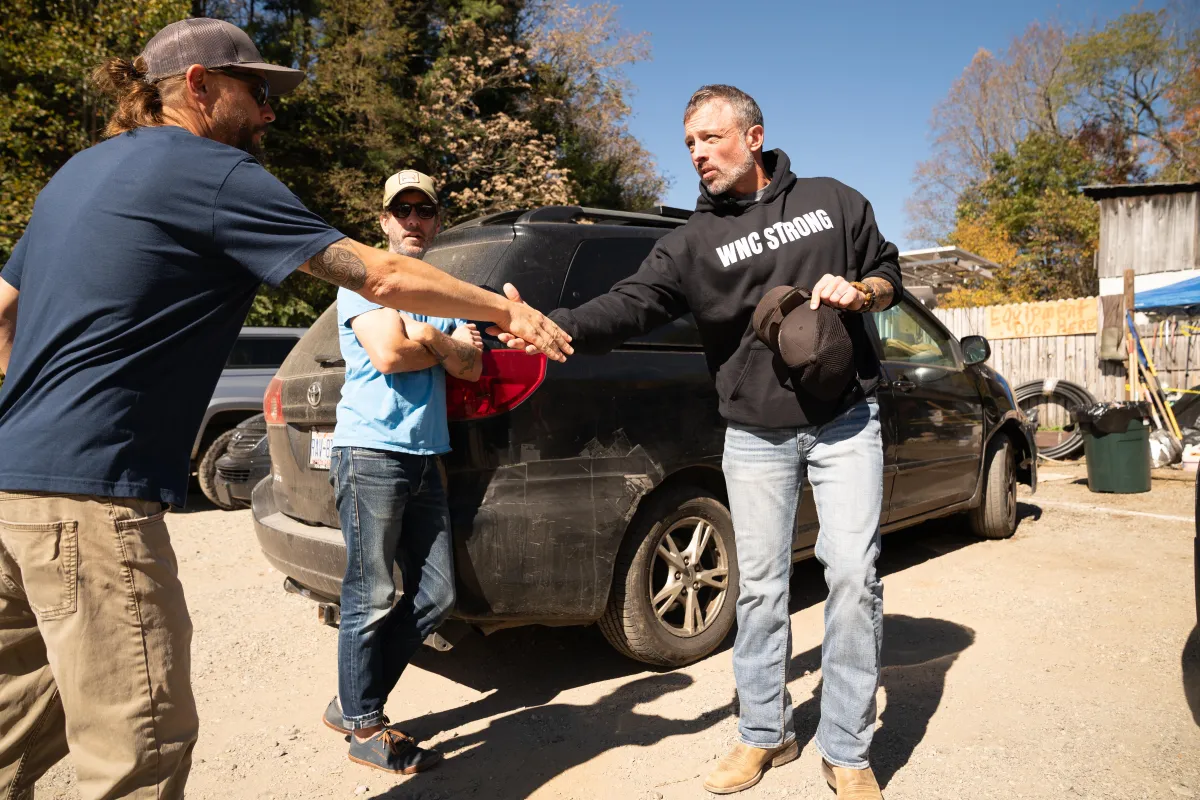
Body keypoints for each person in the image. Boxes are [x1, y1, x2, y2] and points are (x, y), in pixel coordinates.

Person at [0, 18, 569, 800]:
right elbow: (380, 280)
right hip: (92, 497)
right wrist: (507, 316)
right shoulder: (210, 171)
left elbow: (2, 313)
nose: (269, 113)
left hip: (11, 488)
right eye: (257, 91)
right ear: (199, 86)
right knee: (138, 751)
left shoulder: (75, 175)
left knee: (13, 729)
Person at [498, 85, 900, 799]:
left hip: (845, 421)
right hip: (755, 433)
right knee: (765, 589)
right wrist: (550, 322)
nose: (698, 155)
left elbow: (890, 275)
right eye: (689, 144)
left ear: (754, 137)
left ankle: (846, 747)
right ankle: (764, 736)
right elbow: (627, 305)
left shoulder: (835, 202)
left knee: (851, 576)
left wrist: (860, 293)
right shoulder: (691, 243)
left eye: (711, 139)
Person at [319, 170, 480, 774]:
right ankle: (364, 726)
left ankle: (351, 703)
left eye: (425, 211)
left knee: (436, 595)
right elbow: (389, 354)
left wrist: (428, 336)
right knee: (372, 592)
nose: (414, 221)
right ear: (383, 221)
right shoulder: (364, 279)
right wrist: (443, 342)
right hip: (371, 454)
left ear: (436, 221)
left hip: (423, 455)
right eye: (402, 211)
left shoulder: (437, 291)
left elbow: (470, 366)